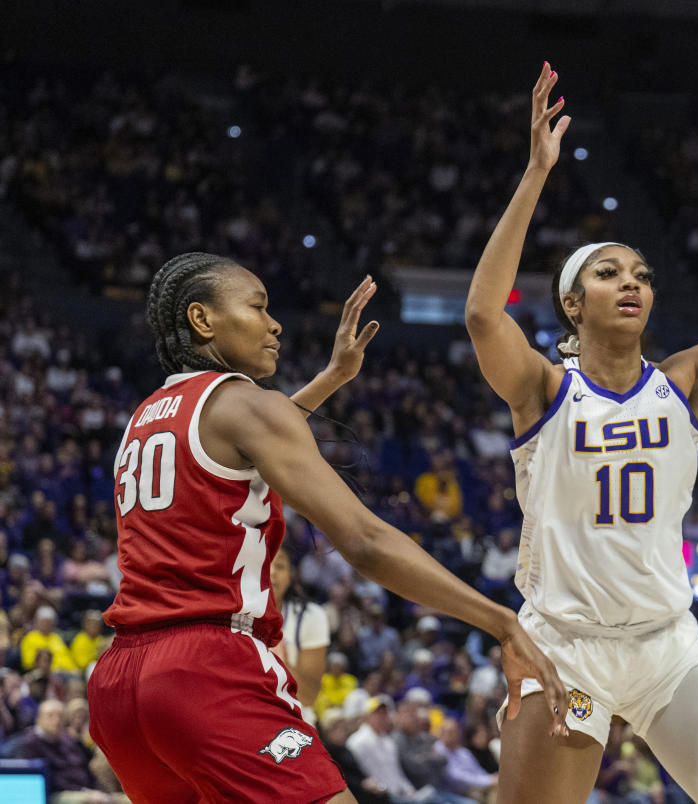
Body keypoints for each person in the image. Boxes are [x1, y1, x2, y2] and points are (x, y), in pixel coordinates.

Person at [464, 62, 698, 804]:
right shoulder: (542, 387)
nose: (631, 282)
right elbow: (480, 317)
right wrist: (536, 173)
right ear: (572, 302)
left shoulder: (687, 378)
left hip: (666, 648)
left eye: (642, 274)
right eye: (607, 272)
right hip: (566, 651)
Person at [87, 258, 568, 804]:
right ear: (202, 319)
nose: (276, 324)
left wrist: (331, 378)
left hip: (121, 683)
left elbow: (246, 442)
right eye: (258, 306)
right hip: (205, 670)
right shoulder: (245, 405)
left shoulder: (150, 415)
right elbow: (364, 542)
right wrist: (500, 621)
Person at [271, 543, 330, 726]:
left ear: (291, 574)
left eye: (280, 566)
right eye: (264, 564)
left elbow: (310, 697)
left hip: (294, 722)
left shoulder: (310, 616)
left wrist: (280, 661)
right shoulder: (230, 611)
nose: (272, 572)